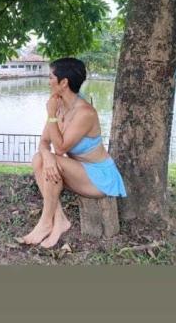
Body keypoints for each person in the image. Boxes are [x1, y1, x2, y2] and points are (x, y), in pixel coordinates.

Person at [19, 57, 127, 248]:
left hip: (99, 177)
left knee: (48, 160)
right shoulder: (58, 105)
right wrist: (47, 157)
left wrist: (51, 116)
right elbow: (44, 142)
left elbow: (60, 149)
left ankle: (46, 223)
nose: (48, 81)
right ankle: (59, 220)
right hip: (77, 171)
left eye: (51, 77)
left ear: (64, 83)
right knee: (39, 159)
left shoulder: (85, 113)